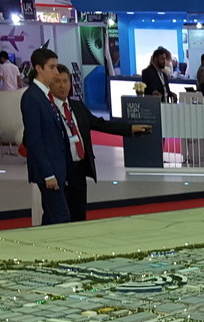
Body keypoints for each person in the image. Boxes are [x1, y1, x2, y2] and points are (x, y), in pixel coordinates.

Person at [49, 68, 151, 221]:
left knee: (79, 213)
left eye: (65, 81)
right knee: (59, 215)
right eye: (57, 81)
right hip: (60, 169)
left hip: (79, 168)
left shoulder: (77, 106)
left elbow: (101, 124)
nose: (62, 86)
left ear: (70, 84)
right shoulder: (47, 109)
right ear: (50, 84)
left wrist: (129, 128)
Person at [22, 48, 75, 226]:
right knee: (60, 216)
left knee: (52, 216)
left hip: (57, 166)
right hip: (48, 170)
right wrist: (48, 174)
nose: (56, 71)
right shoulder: (32, 98)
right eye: (52, 67)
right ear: (39, 68)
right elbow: (34, 140)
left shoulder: (44, 96)